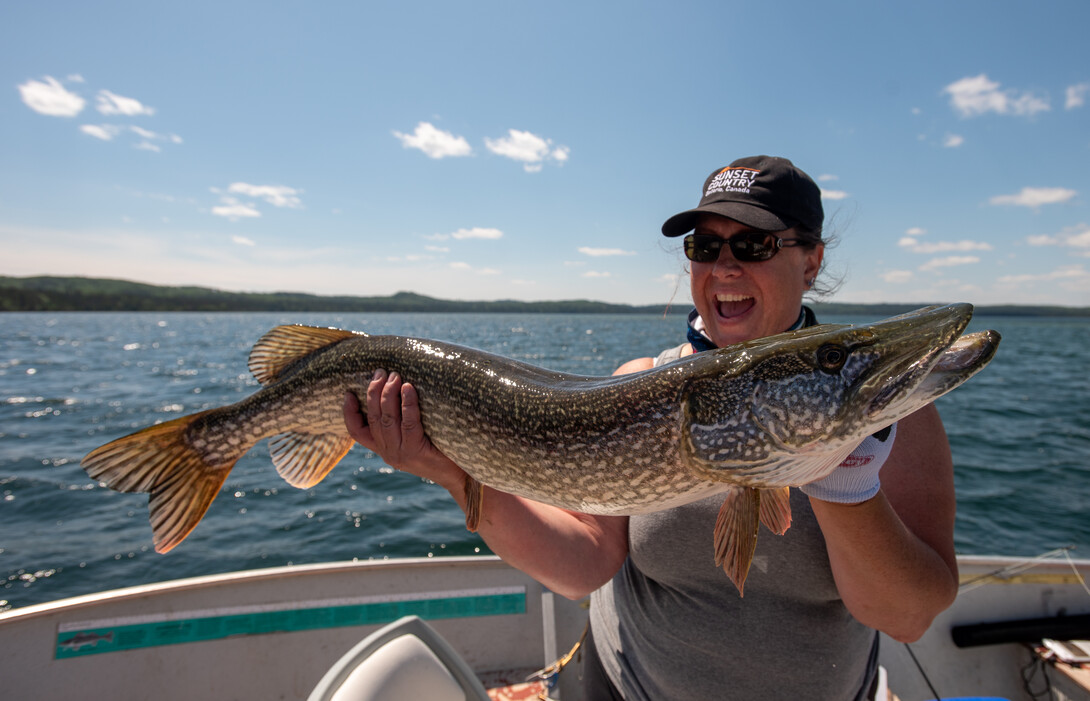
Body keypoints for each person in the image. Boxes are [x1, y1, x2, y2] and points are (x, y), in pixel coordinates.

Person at [342, 155, 959, 700]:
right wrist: (453, 472)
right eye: (704, 246)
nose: (724, 266)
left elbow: (906, 617)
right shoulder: (640, 380)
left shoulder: (886, 417)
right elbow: (583, 566)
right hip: (619, 685)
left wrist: (844, 477)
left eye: (754, 246)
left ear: (812, 260)